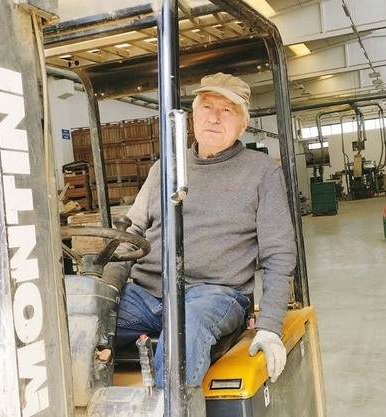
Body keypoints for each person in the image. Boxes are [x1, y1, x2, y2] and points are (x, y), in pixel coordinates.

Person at [102, 72, 296, 387]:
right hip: (146, 294)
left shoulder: (261, 171)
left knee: (184, 325)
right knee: (80, 312)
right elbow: (131, 233)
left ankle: (172, 407)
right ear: (193, 116)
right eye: (207, 107)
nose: (214, 118)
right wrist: (104, 293)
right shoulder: (164, 168)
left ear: (242, 124)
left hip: (215, 295)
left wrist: (270, 326)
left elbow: (279, 252)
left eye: (226, 110)